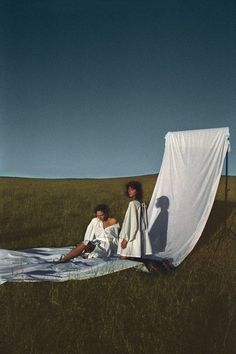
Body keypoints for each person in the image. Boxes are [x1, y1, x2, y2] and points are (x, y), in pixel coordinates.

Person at [117, 181, 152, 259]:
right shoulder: (142, 203)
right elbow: (145, 223)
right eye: (129, 189)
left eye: (132, 189)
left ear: (137, 191)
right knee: (135, 259)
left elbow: (132, 223)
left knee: (123, 259)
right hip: (139, 235)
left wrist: (126, 239)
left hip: (132, 237)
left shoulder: (133, 204)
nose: (129, 191)